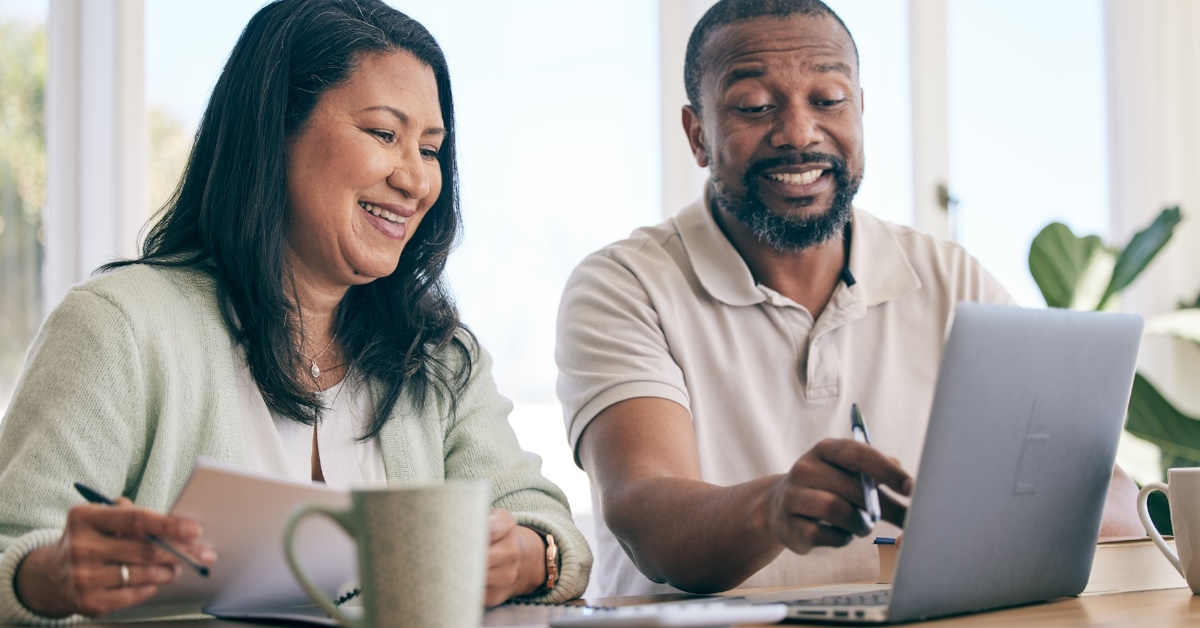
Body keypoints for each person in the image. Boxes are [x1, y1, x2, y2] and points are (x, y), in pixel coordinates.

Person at [0, 0, 590, 622]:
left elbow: (542, 518)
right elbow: (12, 547)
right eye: (385, 135)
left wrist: (527, 556)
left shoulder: (438, 355)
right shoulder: (119, 325)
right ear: (273, 131)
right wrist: (51, 575)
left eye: (432, 148)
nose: (417, 180)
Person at [555, 0, 1142, 598]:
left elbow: (1111, 498)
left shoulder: (950, 278)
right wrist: (774, 507)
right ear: (697, 134)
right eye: (755, 107)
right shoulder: (624, 285)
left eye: (828, 100)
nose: (799, 133)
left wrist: (983, 533)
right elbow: (647, 515)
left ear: (861, 110)